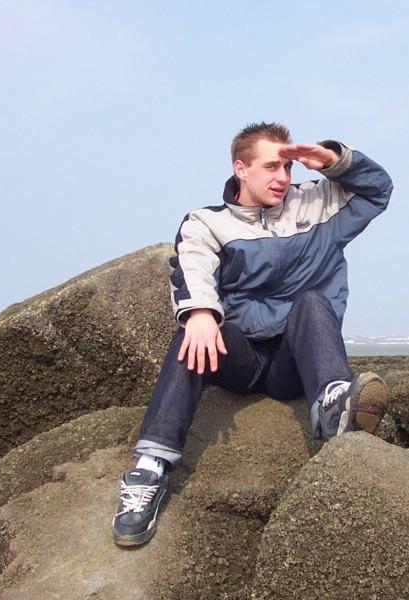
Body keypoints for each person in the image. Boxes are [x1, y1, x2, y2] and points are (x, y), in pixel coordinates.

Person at [112, 122, 393, 547]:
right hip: (241, 358)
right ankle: (150, 469)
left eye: (288, 167)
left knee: (313, 301)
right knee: (192, 334)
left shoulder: (319, 202)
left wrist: (335, 161)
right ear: (240, 169)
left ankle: (333, 403)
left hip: (293, 362)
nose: (283, 177)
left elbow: (378, 190)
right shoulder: (207, 223)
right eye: (271, 167)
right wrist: (201, 312)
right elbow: (191, 267)